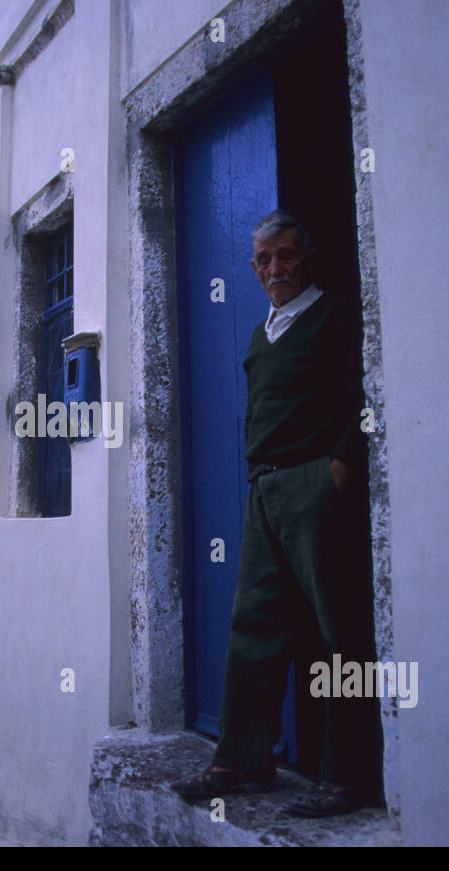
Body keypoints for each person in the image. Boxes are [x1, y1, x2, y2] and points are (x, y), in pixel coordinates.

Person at [170, 209, 383, 818]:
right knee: (254, 625)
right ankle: (242, 761)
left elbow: (368, 391)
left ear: (305, 256)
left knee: (341, 631)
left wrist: (339, 465)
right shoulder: (265, 331)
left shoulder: (334, 314)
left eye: (285, 255)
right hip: (263, 490)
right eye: (263, 260)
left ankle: (351, 776)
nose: (274, 269)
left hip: (314, 486)